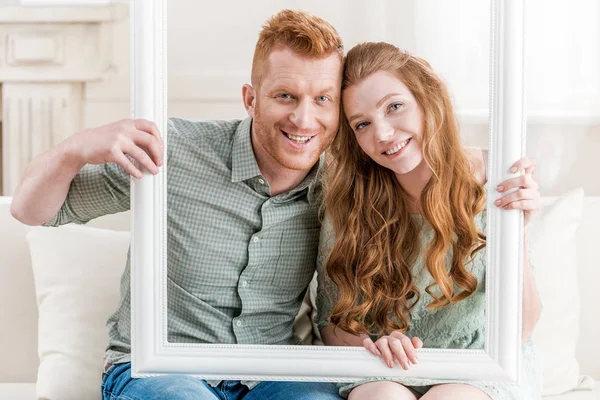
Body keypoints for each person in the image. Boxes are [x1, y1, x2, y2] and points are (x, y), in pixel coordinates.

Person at [10, 9, 345, 400]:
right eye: (285, 95)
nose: (304, 119)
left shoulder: (339, 189)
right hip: (160, 373)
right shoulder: (172, 152)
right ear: (250, 100)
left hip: (274, 376)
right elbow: (30, 210)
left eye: (323, 99)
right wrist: (76, 149)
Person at [316, 42, 542, 400]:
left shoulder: (498, 175)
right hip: (384, 369)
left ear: (426, 99)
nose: (383, 134)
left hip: (479, 370)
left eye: (394, 107)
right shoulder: (349, 198)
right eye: (362, 124)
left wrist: (520, 232)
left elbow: (523, 329)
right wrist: (370, 346)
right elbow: (331, 324)